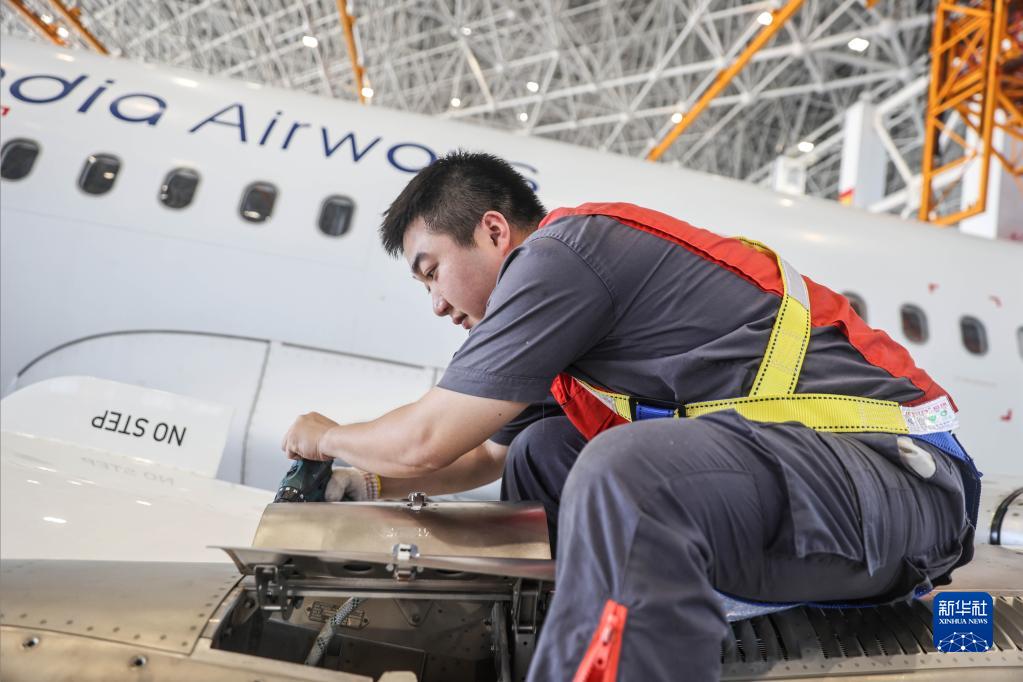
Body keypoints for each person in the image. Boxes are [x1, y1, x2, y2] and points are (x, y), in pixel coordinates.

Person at [281, 151, 980, 681]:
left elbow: (427, 437)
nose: (434, 303)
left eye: (431, 269)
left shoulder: (562, 256)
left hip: (901, 482)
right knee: (545, 449)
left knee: (631, 472)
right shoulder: (571, 335)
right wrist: (361, 484)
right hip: (827, 493)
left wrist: (326, 435)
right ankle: (568, 648)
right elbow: (483, 454)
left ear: (494, 231)